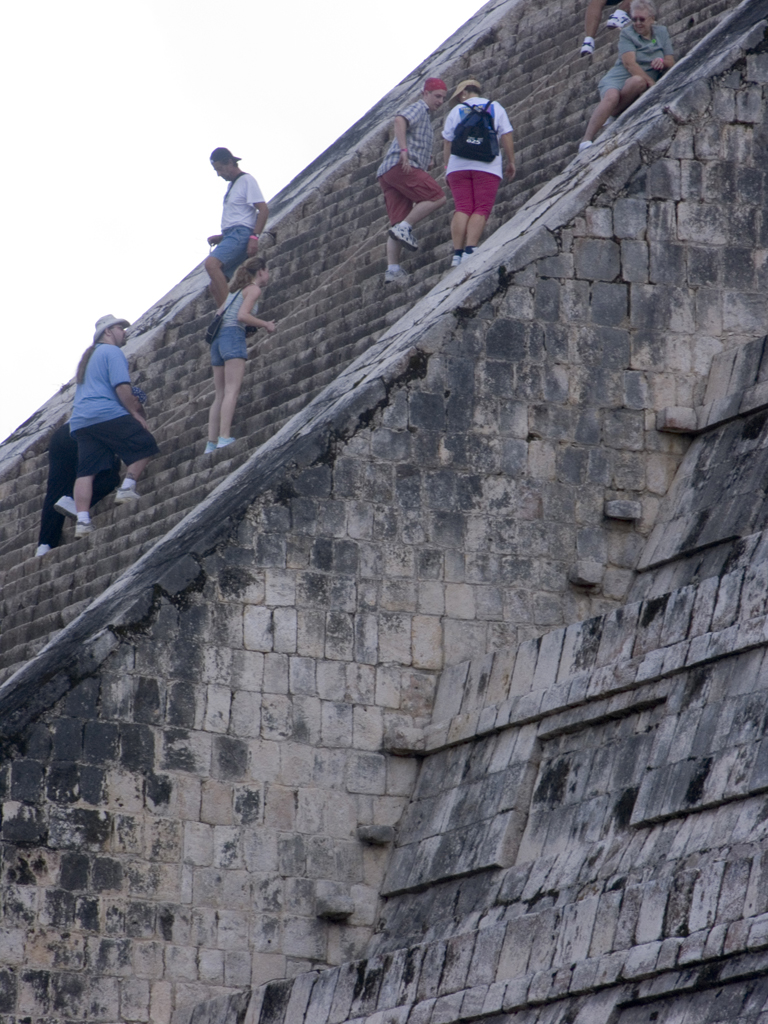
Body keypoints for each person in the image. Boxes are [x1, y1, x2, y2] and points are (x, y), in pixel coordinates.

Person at [70, 315, 160, 538]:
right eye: (120, 328)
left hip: (81, 420)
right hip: (105, 412)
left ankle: (82, 521)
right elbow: (121, 387)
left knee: (87, 471)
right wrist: (134, 413)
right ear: (108, 332)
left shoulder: (89, 358)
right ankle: (128, 487)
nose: (125, 332)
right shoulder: (112, 352)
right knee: (146, 444)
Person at [376, 77, 448, 286]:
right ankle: (406, 227)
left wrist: (427, 161)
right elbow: (400, 120)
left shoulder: (425, 119)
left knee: (397, 222)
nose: (440, 101)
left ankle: (392, 269)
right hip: (402, 166)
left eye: (443, 98)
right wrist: (404, 151)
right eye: (437, 96)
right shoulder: (419, 108)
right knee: (437, 197)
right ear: (425, 93)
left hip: (388, 173)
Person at [579, 0, 674, 151]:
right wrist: (653, 85)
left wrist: (661, 61)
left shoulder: (661, 32)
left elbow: (670, 60)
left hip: (636, 80)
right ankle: (586, 140)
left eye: (642, 19)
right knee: (612, 96)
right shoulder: (627, 33)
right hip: (618, 77)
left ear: (652, 18)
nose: (638, 23)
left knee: (638, 82)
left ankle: (613, 112)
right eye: (634, 19)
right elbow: (629, 64)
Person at [441, 80, 516, 269]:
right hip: (487, 165)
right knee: (481, 208)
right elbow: (506, 135)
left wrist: (448, 167)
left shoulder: (456, 111)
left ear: (464, 93)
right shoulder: (495, 107)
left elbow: (447, 142)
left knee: (462, 207)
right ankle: (470, 249)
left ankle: (457, 254)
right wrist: (511, 161)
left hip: (458, 165)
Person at [205, 256, 276, 453]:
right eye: (267, 270)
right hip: (232, 336)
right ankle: (224, 437)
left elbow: (219, 313)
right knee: (231, 390)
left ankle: (211, 443)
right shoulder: (253, 289)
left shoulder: (234, 291)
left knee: (219, 394)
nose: (268, 274)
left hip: (217, 340)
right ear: (260, 271)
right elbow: (242, 315)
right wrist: (266, 324)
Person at [35, 424, 120, 556]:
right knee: (110, 476)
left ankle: (44, 544)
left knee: (55, 491)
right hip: (88, 433)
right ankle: (72, 500)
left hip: (62, 434)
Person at [205, 147, 269, 308]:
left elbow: (263, 209)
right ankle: (228, 319)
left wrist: (255, 237)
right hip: (231, 235)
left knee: (211, 265)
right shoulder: (231, 187)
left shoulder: (246, 180)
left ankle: (229, 311)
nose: (219, 174)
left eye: (220, 169)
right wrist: (221, 237)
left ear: (229, 162)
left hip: (241, 234)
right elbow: (240, 216)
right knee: (214, 286)